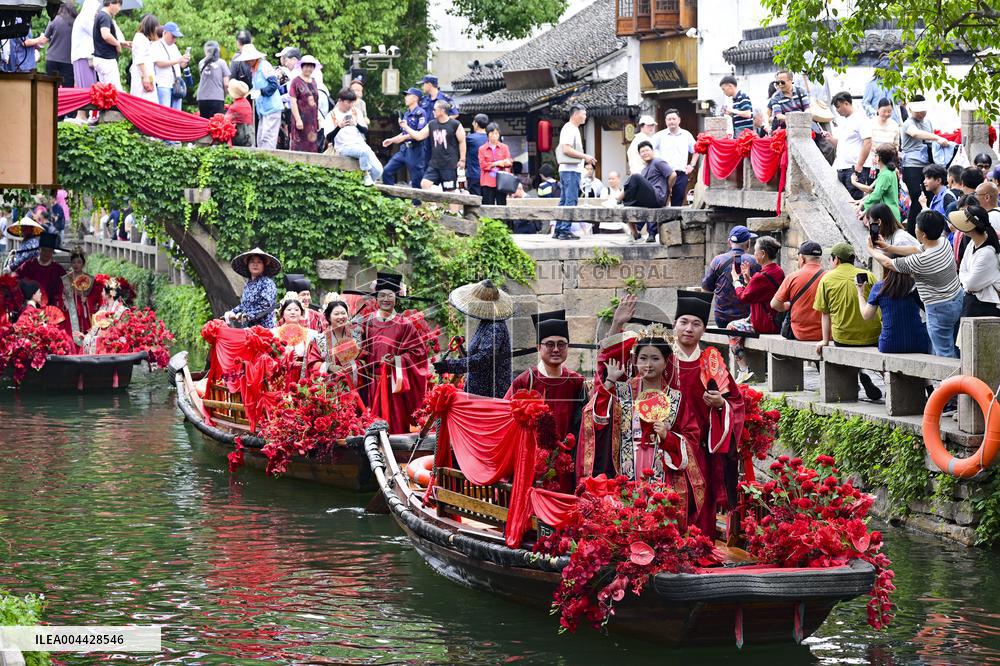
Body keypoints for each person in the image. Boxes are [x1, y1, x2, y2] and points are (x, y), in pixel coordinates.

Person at [582, 330, 700, 513]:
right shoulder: (621, 391)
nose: (648, 364)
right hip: (626, 461)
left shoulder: (676, 398)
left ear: (666, 361)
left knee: (656, 514)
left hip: (661, 465)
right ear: (635, 361)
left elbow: (692, 437)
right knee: (627, 510)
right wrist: (610, 381)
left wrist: (667, 436)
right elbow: (597, 419)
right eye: (643, 358)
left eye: (655, 358)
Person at [670, 290, 745, 540]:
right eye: (684, 322)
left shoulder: (710, 362)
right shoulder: (662, 359)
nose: (689, 329)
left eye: (696, 324)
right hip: (666, 447)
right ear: (674, 325)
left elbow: (735, 401)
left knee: (701, 505)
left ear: (704, 330)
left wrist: (721, 403)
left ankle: (700, 547)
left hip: (701, 449)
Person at [870, 210, 964, 358]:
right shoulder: (943, 242)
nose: (915, 228)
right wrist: (888, 248)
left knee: (944, 353)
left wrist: (872, 250)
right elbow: (916, 249)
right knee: (957, 346)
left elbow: (888, 263)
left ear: (923, 234)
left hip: (939, 308)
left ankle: (952, 381)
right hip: (957, 299)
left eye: (917, 227)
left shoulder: (921, 261)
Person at [355, 273, 429, 434]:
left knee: (395, 429)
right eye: (381, 295)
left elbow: (418, 353)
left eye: (390, 295)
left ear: (396, 297)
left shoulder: (405, 324)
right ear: (376, 298)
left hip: (395, 386)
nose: (385, 299)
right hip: (372, 385)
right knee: (371, 427)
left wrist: (396, 361)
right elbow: (361, 352)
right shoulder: (367, 323)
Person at [813, 243, 883, 400]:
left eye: (830, 259)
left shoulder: (826, 279)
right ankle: (864, 373)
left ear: (836, 259)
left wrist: (825, 340)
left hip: (843, 338)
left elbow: (825, 314)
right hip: (873, 336)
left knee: (845, 340)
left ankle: (858, 376)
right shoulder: (869, 275)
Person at [505, 310, 586, 442]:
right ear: (538, 347)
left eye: (561, 344)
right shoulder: (525, 380)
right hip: (530, 456)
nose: (555, 349)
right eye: (549, 344)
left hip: (568, 454)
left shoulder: (576, 381)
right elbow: (503, 413)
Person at [434, 279, 513, 398]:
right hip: (478, 392)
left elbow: (482, 359)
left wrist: (450, 365)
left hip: (489, 395)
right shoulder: (486, 323)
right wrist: (461, 349)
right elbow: (478, 356)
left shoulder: (495, 327)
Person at [727, 236, 785, 383]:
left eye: (756, 251)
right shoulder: (778, 271)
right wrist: (749, 280)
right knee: (738, 324)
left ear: (763, 253)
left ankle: (743, 370)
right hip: (775, 320)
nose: (754, 255)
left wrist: (736, 280)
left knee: (731, 327)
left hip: (765, 323)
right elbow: (761, 294)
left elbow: (744, 297)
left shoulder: (761, 276)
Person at [900, 96, 953, 233]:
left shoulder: (928, 122)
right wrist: (937, 137)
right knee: (918, 199)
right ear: (910, 109)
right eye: (918, 111)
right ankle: (912, 233)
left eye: (923, 111)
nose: (921, 114)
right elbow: (915, 133)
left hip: (927, 165)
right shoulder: (908, 123)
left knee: (930, 198)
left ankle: (929, 231)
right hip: (912, 167)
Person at [858, 269, 930, 354]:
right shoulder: (915, 286)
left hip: (888, 345)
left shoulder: (879, 287)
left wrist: (860, 293)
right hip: (918, 343)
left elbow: (866, 315)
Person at [702, 225, 760, 328]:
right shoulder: (755, 261)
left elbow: (706, 289)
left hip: (722, 319)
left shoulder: (717, 261)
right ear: (748, 243)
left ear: (729, 242)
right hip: (747, 319)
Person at [402, 100, 465, 194]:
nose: (433, 111)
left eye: (435, 109)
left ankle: (453, 209)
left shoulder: (455, 124)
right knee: (424, 184)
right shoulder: (432, 124)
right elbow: (419, 136)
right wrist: (406, 127)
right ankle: (431, 208)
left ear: (442, 111)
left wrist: (462, 159)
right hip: (434, 163)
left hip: (449, 164)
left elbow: (462, 141)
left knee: (450, 191)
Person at [306, 299, 363, 401]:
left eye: (343, 313)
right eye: (336, 314)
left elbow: (365, 360)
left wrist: (353, 366)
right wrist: (329, 367)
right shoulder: (320, 339)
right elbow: (312, 364)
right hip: (327, 388)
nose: (340, 317)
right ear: (328, 317)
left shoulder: (356, 336)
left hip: (352, 386)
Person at [617, 142, 674, 243]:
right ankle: (636, 235)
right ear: (639, 155)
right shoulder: (644, 169)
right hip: (648, 199)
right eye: (642, 152)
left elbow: (673, 175)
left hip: (658, 196)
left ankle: (617, 199)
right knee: (625, 206)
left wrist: (668, 190)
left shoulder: (658, 161)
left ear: (652, 151)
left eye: (647, 150)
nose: (645, 153)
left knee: (635, 176)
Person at [949, 206, 1000, 317]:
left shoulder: (987, 253)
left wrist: (965, 281)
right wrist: (967, 280)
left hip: (985, 306)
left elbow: (971, 285)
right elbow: (962, 269)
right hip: (972, 302)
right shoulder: (972, 243)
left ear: (971, 225)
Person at [555, 104, 596, 241]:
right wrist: (585, 157)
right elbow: (566, 149)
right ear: (575, 114)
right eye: (583, 114)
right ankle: (565, 230)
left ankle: (559, 229)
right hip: (570, 170)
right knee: (571, 200)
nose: (585, 116)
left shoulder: (571, 129)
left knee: (564, 200)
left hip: (568, 170)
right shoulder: (570, 129)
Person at [771, 240, 826, 341]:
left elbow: (774, 304)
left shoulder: (792, 277)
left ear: (802, 258)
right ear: (820, 259)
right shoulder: (829, 277)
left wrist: (787, 305)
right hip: (826, 335)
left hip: (800, 333)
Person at [326, 88, 383, 185]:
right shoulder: (331, 115)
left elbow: (365, 130)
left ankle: (363, 186)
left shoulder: (356, 112)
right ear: (340, 101)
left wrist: (356, 124)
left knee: (378, 171)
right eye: (348, 102)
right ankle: (366, 176)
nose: (351, 105)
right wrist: (339, 127)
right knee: (363, 152)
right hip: (344, 147)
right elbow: (328, 138)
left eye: (352, 102)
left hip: (360, 144)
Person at [233, 44, 282, 150]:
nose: (246, 62)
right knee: (259, 138)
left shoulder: (264, 66)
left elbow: (274, 85)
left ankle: (269, 162)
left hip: (271, 108)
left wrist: (261, 92)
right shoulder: (253, 70)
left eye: (247, 60)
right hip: (262, 110)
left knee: (267, 138)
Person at [381, 88, 429, 188]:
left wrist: (404, 132)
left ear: (415, 98)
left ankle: (417, 203)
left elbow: (419, 134)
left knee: (416, 180)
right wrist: (392, 140)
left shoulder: (421, 113)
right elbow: (404, 133)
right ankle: (392, 199)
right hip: (404, 149)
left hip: (416, 150)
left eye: (408, 95)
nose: (405, 98)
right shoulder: (406, 114)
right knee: (387, 171)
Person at [830, 91, 872, 199]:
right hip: (842, 167)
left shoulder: (860, 118)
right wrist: (830, 139)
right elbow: (843, 144)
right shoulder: (844, 121)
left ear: (846, 103)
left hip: (854, 168)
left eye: (838, 107)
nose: (837, 110)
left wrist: (859, 165)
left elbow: (868, 143)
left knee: (854, 200)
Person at [224, 247, 280, 328]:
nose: (255, 264)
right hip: (248, 329)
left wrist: (247, 315)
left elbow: (265, 305)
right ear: (248, 265)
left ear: (264, 266)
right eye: (252, 261)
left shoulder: (267, 283)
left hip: (264, 329)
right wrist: (233, 312)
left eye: (259, 262)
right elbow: (244, 305)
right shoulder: (249, 285)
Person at [652, 109, 698, 206]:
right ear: (666, 121)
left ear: (679, 120)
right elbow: (649, 149)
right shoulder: (659, 135)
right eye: (669, 119)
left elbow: (697, 150)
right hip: (663, 174)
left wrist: (692, 165)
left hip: (680, 174)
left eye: (674, 119)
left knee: (677, 201)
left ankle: (674, 221)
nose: (671, 121)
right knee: (660, 200)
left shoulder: (686, 135)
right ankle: (660, 221)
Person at [14, 233, 66, 314]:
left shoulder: (58, 269)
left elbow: (64, 288)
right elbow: (16, 278)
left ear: (52, 252)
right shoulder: (29, 265)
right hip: (30, 307)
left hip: (52, 308)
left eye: (49, 251)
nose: (46, 253)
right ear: (39, 250)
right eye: (44, 250)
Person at [858, 143, 901, 222]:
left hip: (888, 215)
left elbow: (876, 195)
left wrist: (864, 205)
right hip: (891, 212)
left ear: (878, 158)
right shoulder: (889, 172)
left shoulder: (885, 175)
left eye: (875, 155)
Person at [62, 246, 97, 342]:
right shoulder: (66, 278)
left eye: (79, 262)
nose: (76, 265)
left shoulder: (89, 279)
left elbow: (94, 298)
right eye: (73, 262)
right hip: (71, 310)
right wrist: (65, 296)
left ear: (83, 263)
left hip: (84, 311)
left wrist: (87, 299)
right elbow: (62, 297)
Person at [92, 0, 128, 90]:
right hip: (106, 60)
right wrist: (117, 44)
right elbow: (106, 35)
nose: (119, 9)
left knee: (105, 92)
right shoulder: (105, 17)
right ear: (111, 3)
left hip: (100, 58)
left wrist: (121, 43)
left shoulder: (100, 15)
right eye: (119, 6)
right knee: (115, 91)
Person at [288, 55, 320, 152]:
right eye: (306, 66)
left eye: (311, 66)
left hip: (312, 119)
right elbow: (293, 101)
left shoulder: (314, 81)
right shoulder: (295, 82)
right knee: (299, 145)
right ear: (302, 67)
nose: (308, 69)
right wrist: (298, 119)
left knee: (312, 144)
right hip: (301, 118)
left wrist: (318, 118)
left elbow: (315, 101)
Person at [153, 22, 188, 110]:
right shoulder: (156, 45)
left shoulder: (174, 47)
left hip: (176, 85)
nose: (174, 39)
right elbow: (159, 63)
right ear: (165, 33)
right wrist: (178, 60)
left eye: (176, 37)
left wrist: (185, 60)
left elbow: (182, 65)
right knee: (165, 111)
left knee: (177, 113)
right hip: (163, 84)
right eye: (173, 36)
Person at [71, 0, 101, 99]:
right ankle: (84, 114)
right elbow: (97, 35)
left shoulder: (83, 18)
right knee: (87, 90)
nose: (97, 13)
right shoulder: (85, 18)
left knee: (87, 88)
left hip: (85, 57)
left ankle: (83, 114)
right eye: (96, 10)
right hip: (83, 57)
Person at [42, 3, 76, 90]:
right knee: (67, 89)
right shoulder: (75, 22)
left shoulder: (54, 20)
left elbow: (44, 39)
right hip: (68, 61)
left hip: (52, 59)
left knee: (51, 88)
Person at [478, 122, 513, 206]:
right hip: (487, 181)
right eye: (492, 133)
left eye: (496, 133)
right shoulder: (482, 149)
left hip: (501, 180)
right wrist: (496, 163)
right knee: (488, 204)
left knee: (502, 204)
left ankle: (502, 220)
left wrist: (507, 162)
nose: (494, 135)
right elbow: (483, 165)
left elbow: (509, 161)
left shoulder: (504, 147)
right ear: (488, 134)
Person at [196, 41, 230, 118]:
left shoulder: (201, 63)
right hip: (217, 97)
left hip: (202, 98)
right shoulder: (221, 63)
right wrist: (224, 95)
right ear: (218, 50)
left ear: (205, 50)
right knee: (217, 124)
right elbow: (226, 84)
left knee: (204, 123)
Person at [129, 14, 159, 103]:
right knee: (143, 100)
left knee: (149, 99)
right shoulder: (140, 38)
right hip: (141, 74)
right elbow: (140, 59)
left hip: (146, 73)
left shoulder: (144, 39)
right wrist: (145, 77)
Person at [464, 114, 490, 195]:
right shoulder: (491, 139)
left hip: (474, 174)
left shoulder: (470, 139)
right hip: (489, 174)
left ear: (476, 124)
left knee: (475, 199)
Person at [225, 80, 254, 147]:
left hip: (242, 136)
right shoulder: (245, 102)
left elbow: (225, 120)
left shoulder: (235, 107)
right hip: (249, 134)